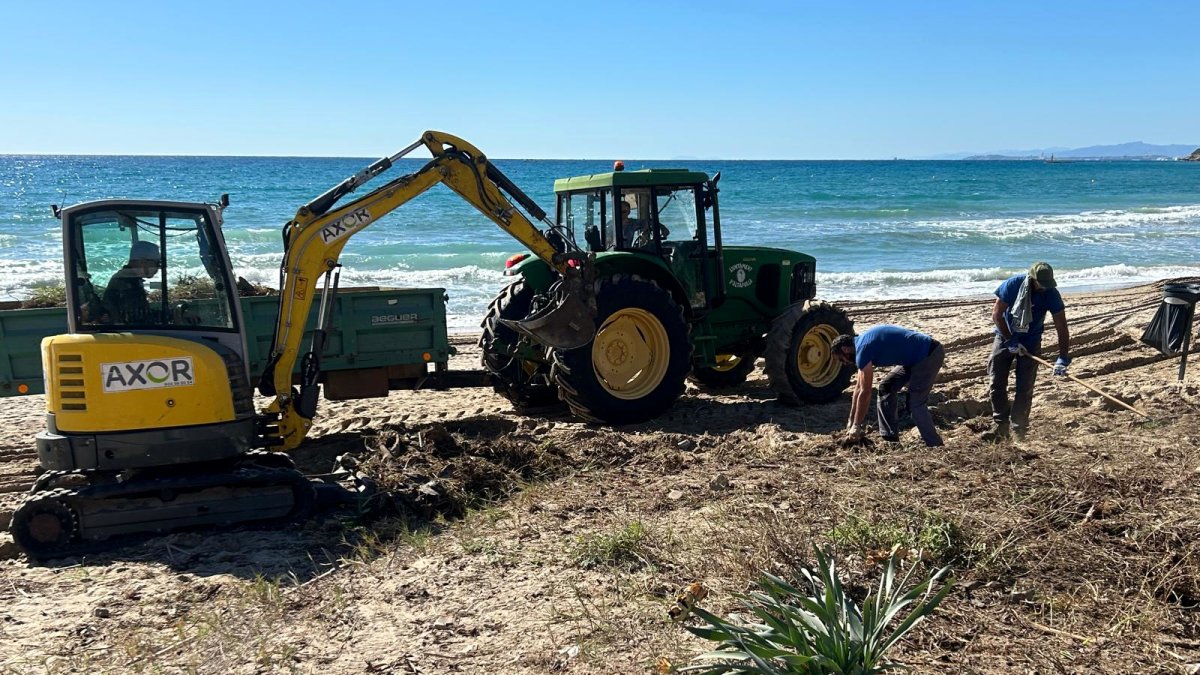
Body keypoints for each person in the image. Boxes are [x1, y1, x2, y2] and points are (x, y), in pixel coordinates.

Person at [984, 262, 1071, 442]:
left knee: (1025, 387)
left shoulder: (1051, 294)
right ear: (1032, 279)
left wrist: (1062, 357)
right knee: (997, 381)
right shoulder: (1013, 285)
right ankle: (1000, 425)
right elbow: (997, 314)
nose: (1043, 288)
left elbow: (1061, 326)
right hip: (1005, 336)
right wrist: (1010, 340)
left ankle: (1019, 429)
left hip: (1031, 340)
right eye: (1040, 284)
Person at [832, 325, 945, 447]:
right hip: (913, 358)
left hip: (928, 354)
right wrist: (851, 422)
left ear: (845, 350)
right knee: (886, 387)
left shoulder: (862, 350)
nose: (844, 363)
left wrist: (857, 425)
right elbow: (858, 389)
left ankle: (935, 444)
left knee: (915, 403)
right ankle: (890, 438)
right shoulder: (861, 344)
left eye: (841, 360)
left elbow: (865, 392)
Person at [102, 240, 160, 324]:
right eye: (156, 263)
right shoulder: (125, 283)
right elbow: (135, 318)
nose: (157, 268)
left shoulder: (130, 279)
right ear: (143, 262)